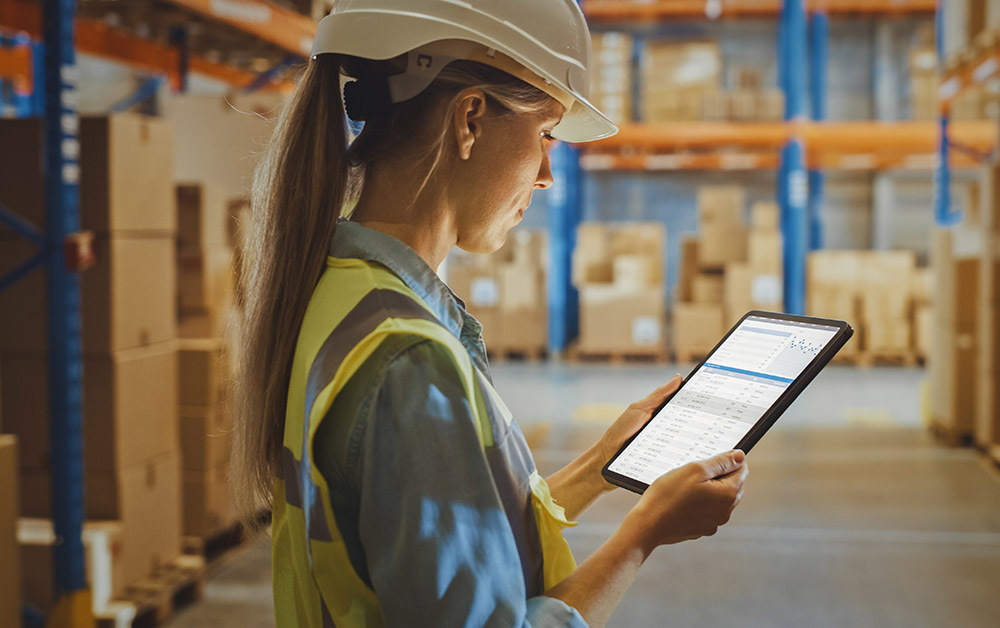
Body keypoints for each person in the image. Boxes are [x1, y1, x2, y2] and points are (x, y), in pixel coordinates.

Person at [233, 1, 749, 626]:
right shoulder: (407, 359)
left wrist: (598, 468)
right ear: (470, 118)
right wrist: (642, 534)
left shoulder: (344, 293)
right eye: (547, 134)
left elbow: (443, 534)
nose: (548, 174)